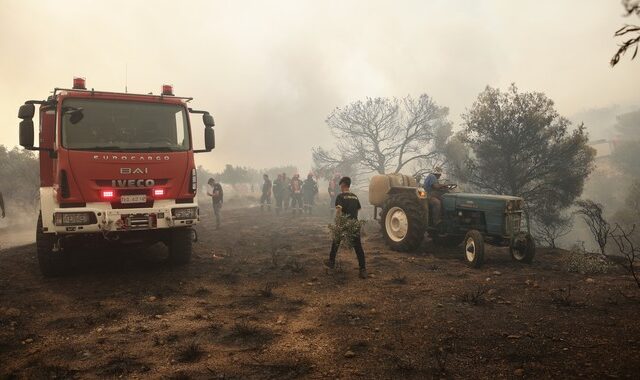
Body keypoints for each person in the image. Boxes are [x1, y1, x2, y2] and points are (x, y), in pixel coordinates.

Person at [325, 176, 367, 279]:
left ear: (343, 185)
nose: (339, 187)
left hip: (344, 223)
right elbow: (357, 211)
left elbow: (339, 211)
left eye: (340, 185)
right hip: (354, 223)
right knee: (358, 247)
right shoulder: (355, 196)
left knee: (336, 242)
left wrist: (338, 223)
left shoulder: (340, 196)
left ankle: (331, 262)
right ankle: (362, 270)